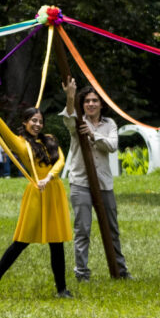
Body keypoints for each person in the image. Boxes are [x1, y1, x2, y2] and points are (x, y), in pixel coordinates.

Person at [0, 89, 73, 300]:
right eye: (33, 121)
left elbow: (61, 161)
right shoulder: (20, 144)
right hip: (37, 195)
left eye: (40, 121)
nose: (37, 124)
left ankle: (61, 290)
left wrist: (49, 178)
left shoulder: (49, 139)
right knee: (21, 242)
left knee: (57, 243)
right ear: (25, 122)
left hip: (54, 191)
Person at [59, 77, 130, 282]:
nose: (90, 104)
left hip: (104, 183)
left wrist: (92, 135)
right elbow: (69, 118)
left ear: (101, 104)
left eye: (94, 100)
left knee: (112, 229)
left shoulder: (110, 124)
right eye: (87, 101)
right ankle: (82, 273)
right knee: (83, 229)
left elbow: (112, 146)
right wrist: (71, 96)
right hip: (81, 183)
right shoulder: (78, 123)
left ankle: (121, 270)